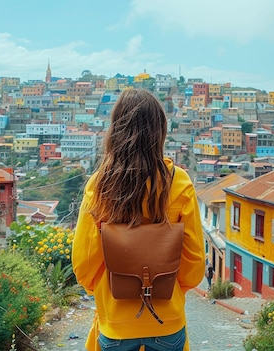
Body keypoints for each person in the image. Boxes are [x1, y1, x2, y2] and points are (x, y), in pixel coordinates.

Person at [72, 88, 206, 351]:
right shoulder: (179, 181)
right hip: (167, 318)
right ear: (160, 131)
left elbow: (84, 261)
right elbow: (194, 261)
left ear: (116, 129)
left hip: (116, 318)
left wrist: (104, 290)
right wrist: (168, 288)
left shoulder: (100, 184)